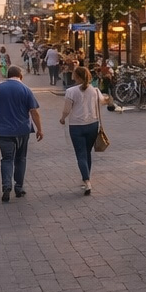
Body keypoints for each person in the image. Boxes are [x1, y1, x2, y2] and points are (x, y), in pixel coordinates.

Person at [0, 66, 43, 203]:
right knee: (21, 158)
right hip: (23, 130)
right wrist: (39, 129)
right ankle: (19, 187)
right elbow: (34, 111)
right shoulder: (26, 89)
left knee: (7, 159)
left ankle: (6, 186)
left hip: (3, 131)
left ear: (7, 76)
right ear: (20, 76)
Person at [59, 66, 104, 195]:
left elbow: (67, 109)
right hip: (92, 125)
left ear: (76, 76)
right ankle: (87, 177)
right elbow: (103, 102)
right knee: (87, 152)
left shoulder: (71, 91)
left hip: (76, 126)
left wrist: (62, 118)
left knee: (80, 154)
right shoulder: (95, 90)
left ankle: (87, 181)